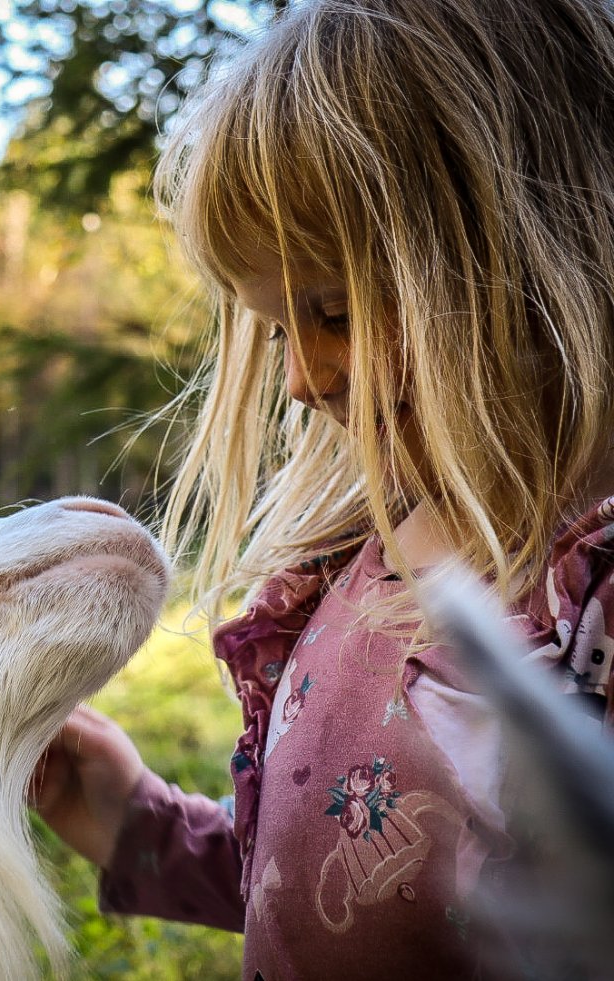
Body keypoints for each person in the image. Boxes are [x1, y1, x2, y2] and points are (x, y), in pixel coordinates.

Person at [30, 1, 614, 978]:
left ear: (532, 251)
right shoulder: (354, 562)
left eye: (332, 311)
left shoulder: (590, 595)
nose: (302, 378)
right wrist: (140, 827)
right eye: (274, 328)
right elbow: (332, 884)